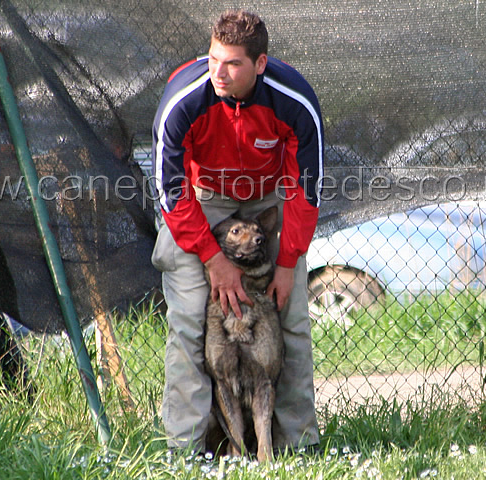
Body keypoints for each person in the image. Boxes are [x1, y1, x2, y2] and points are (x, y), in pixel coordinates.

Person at [151, 9, 323, 454]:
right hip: (202, 200)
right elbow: (171, 192)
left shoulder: (294, 102)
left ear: (260, 65)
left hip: (269, 197)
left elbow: (305, 193)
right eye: (213, 59)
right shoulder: (183, 100)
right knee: (189, 320)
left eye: (233, 64)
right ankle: (186, 451)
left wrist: (286, 264)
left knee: (293, 319)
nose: (219, 73)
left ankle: (296, 447)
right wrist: (212, 259)